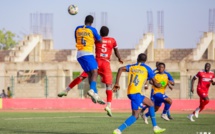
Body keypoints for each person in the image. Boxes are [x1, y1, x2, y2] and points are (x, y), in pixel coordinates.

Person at [58, 26, 123, 116]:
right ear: (108, 33)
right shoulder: (112, 40)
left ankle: (67, 90)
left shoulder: (97, 39)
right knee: (109, 85)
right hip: (106, 63)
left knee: (82, 76)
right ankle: (108, 105)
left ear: (100, 32)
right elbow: (116, 50)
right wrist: (119, 58)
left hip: (96, 62)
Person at [112, 53, 166, 134]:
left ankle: (155, 127)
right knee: (135, 116)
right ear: (145, 60)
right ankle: (118, 130)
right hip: (136, 93)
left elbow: (120, 69)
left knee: (151, 104)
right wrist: (161, 84)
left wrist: (117, 83)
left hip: (133, 92)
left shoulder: (132, 66)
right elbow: (155, 83)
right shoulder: (147, 68)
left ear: (137, 59)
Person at [74, 15, 105, 104]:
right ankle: (92, 90)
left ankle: (95, 95)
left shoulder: (77, 29)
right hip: (87, 53)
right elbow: (100, 40)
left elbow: (76, 40)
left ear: (84, 20)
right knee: (95, 72)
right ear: (92, 22)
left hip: (79, 54)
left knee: (89, 73)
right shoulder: (92, 29)